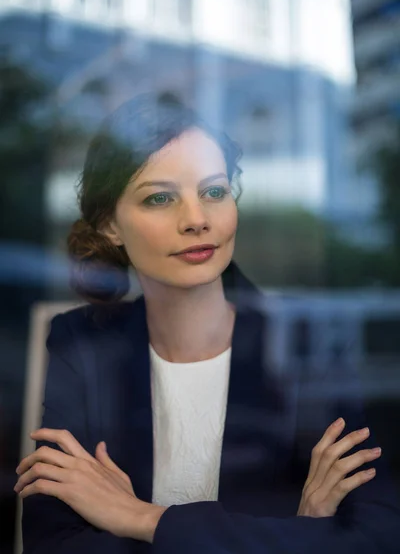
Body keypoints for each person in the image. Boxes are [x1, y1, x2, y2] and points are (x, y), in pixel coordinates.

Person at [15, 95, 400, 553]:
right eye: (160, 198)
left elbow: (374, 538)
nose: (197, 220)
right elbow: (54, 543)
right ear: (109, 226)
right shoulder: (81, 342)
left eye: (214, 191)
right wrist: (294, 533)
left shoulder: (309, 337)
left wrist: (140, 518)